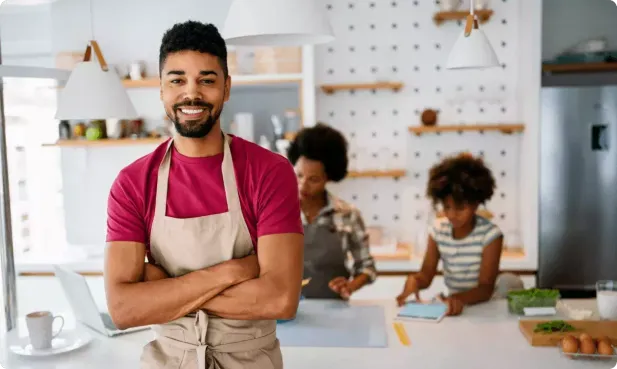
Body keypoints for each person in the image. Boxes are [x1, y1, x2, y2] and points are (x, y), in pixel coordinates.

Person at [103, 21, 304, 369]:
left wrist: (165, 289)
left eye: (207, 80)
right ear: (162, 90)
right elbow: (123, 309)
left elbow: (281, 299)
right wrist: (233, 272)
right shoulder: (132, 183)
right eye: (177, 80)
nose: (191, 93)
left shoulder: (269, 172)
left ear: (226, 88)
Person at [396, 153, 522, 316]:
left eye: (460, 208)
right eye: (447, 207)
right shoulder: (438, 232)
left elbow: (485, 288)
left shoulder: (491, 235)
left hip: (487, 308)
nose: (452, 214)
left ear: (476, 204)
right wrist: (415, 281)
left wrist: (453, 299)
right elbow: (426, 274)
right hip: (457, 306)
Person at [286, 123, 377, 300]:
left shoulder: (348, 215)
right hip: (284, 312)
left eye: (314, 179)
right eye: (298, 175)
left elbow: (367, 267)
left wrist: (350, 286)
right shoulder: (275, 210)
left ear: (329, 178)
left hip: (333, 309)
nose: (303, 185)